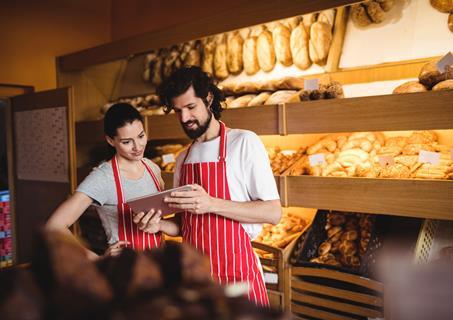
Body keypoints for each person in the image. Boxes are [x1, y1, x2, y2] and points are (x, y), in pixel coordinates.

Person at [136, 66, 282, 306]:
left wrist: (211, 203)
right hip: (198, 280)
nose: (184, 118)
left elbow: (273, 212)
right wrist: (158, 225)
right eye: (178, 110)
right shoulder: (184, 158)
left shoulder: (244, 142)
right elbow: (187, 226)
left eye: (191, 107)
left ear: (209, 98)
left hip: (237, 277)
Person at [46, 103, 165, 260]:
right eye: (127, 141)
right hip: (125, 270)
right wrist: (98, 260)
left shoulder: (152, 168)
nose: (138, 146)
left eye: (141, 136)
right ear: (110, 140)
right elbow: (53, 228)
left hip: (158, 264)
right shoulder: (103, 178)